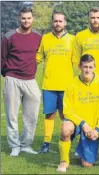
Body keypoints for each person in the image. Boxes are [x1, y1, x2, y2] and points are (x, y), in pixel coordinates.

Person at [72, 7, 99, 157]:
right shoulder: (80, 36)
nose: (95, 20)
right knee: (84, 112)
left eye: (98, 17)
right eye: (92, 17)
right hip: (86, 82)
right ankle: (82, 145)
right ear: (88, 19)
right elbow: (76, 58)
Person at [56, 54, 99, 172]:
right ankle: (64, 161)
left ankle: (81, 149)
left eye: (90, 67)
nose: (88, 70)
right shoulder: (71, 84)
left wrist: (98, 129)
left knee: (87, 165)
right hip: (76, 122)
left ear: (95, 67)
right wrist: (83, 123)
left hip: (93, 125)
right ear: (79, 66)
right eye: (85, 67)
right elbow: (67, 111)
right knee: (66, 128)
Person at [1, 7, 41, 156]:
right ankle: (14, 146)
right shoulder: (9, 36)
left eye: (29, 18)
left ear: (32, 19)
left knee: (32, 114)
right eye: (24, 18)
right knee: (11, 114)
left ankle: (26, 144)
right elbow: (2, 58)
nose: (26, 21)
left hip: (30, 79)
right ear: (19, 18)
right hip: (12, 78)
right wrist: (8, 73)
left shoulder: (38, 36)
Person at [37, 11, 77, 154]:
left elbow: (78, 62)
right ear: (52, 22)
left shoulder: (73, 40)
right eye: (55, 21)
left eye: (60, 21)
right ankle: (46, 143)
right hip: (49, 84)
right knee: (49, 115)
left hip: (67, 86)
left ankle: (69, 142)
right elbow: (38, 57)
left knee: (66, 116)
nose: (58, 24)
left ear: (65, 23)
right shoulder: (45, 38)